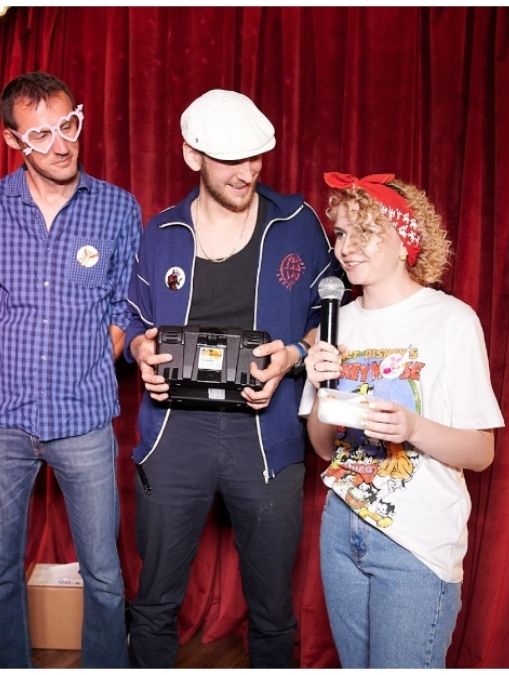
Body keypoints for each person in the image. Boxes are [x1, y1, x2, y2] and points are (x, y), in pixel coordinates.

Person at [124, 89, 335, 667]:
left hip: (266, 437)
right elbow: (134, 326)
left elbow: (334, 318)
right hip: (173, 434)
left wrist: (292, 355)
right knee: (154, 602)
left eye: (255, 158)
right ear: (192, 155)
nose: (246, 173)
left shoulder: (298, 222)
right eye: (230, 160)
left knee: (272, 611)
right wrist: (141, 350)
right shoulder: (161, 231)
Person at [0, 71, 141, 668]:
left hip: (85, 416)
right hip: (3, 418)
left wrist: (86, 362)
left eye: (68, 125)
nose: (61, 144)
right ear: (13, 141)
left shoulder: (117, 207)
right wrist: (17, 355)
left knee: (105, 576)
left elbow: (124, 308)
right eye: (41, 134)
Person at [299, 172, 505, 668]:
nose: (347, 248)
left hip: (416, 540)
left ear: (404, 240)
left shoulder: (451, 320)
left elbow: (481, 452)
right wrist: (324, 389)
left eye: (365, 233)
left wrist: (413, 429)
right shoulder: (335, 321)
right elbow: (324, 448)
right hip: (342, 528)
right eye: (342, 234)